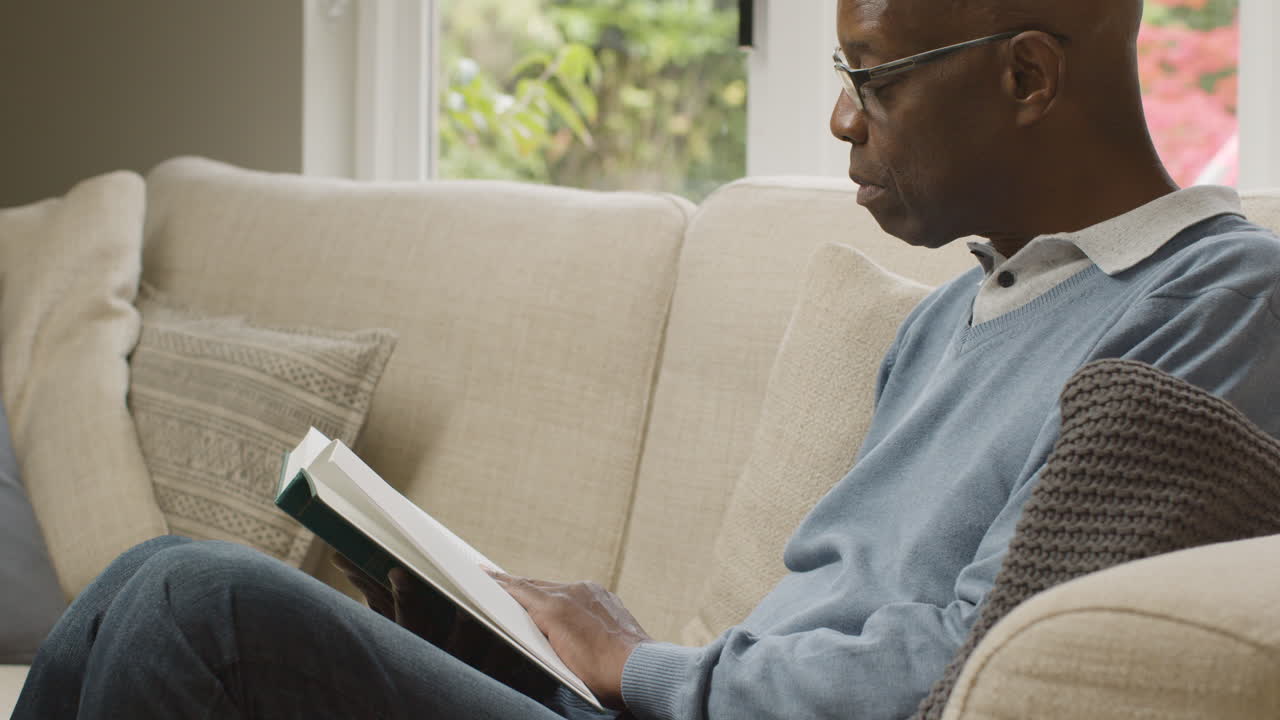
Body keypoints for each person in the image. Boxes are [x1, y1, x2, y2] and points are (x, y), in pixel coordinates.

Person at [15, 0, 1280, 718]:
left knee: (197, 605)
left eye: (872, 78)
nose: (839, 117)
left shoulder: (1214, 301)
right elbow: (823, 620)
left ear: (1023, 75)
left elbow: (958, 665)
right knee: (150, 575)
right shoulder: (947, 317)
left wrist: (637, 661)